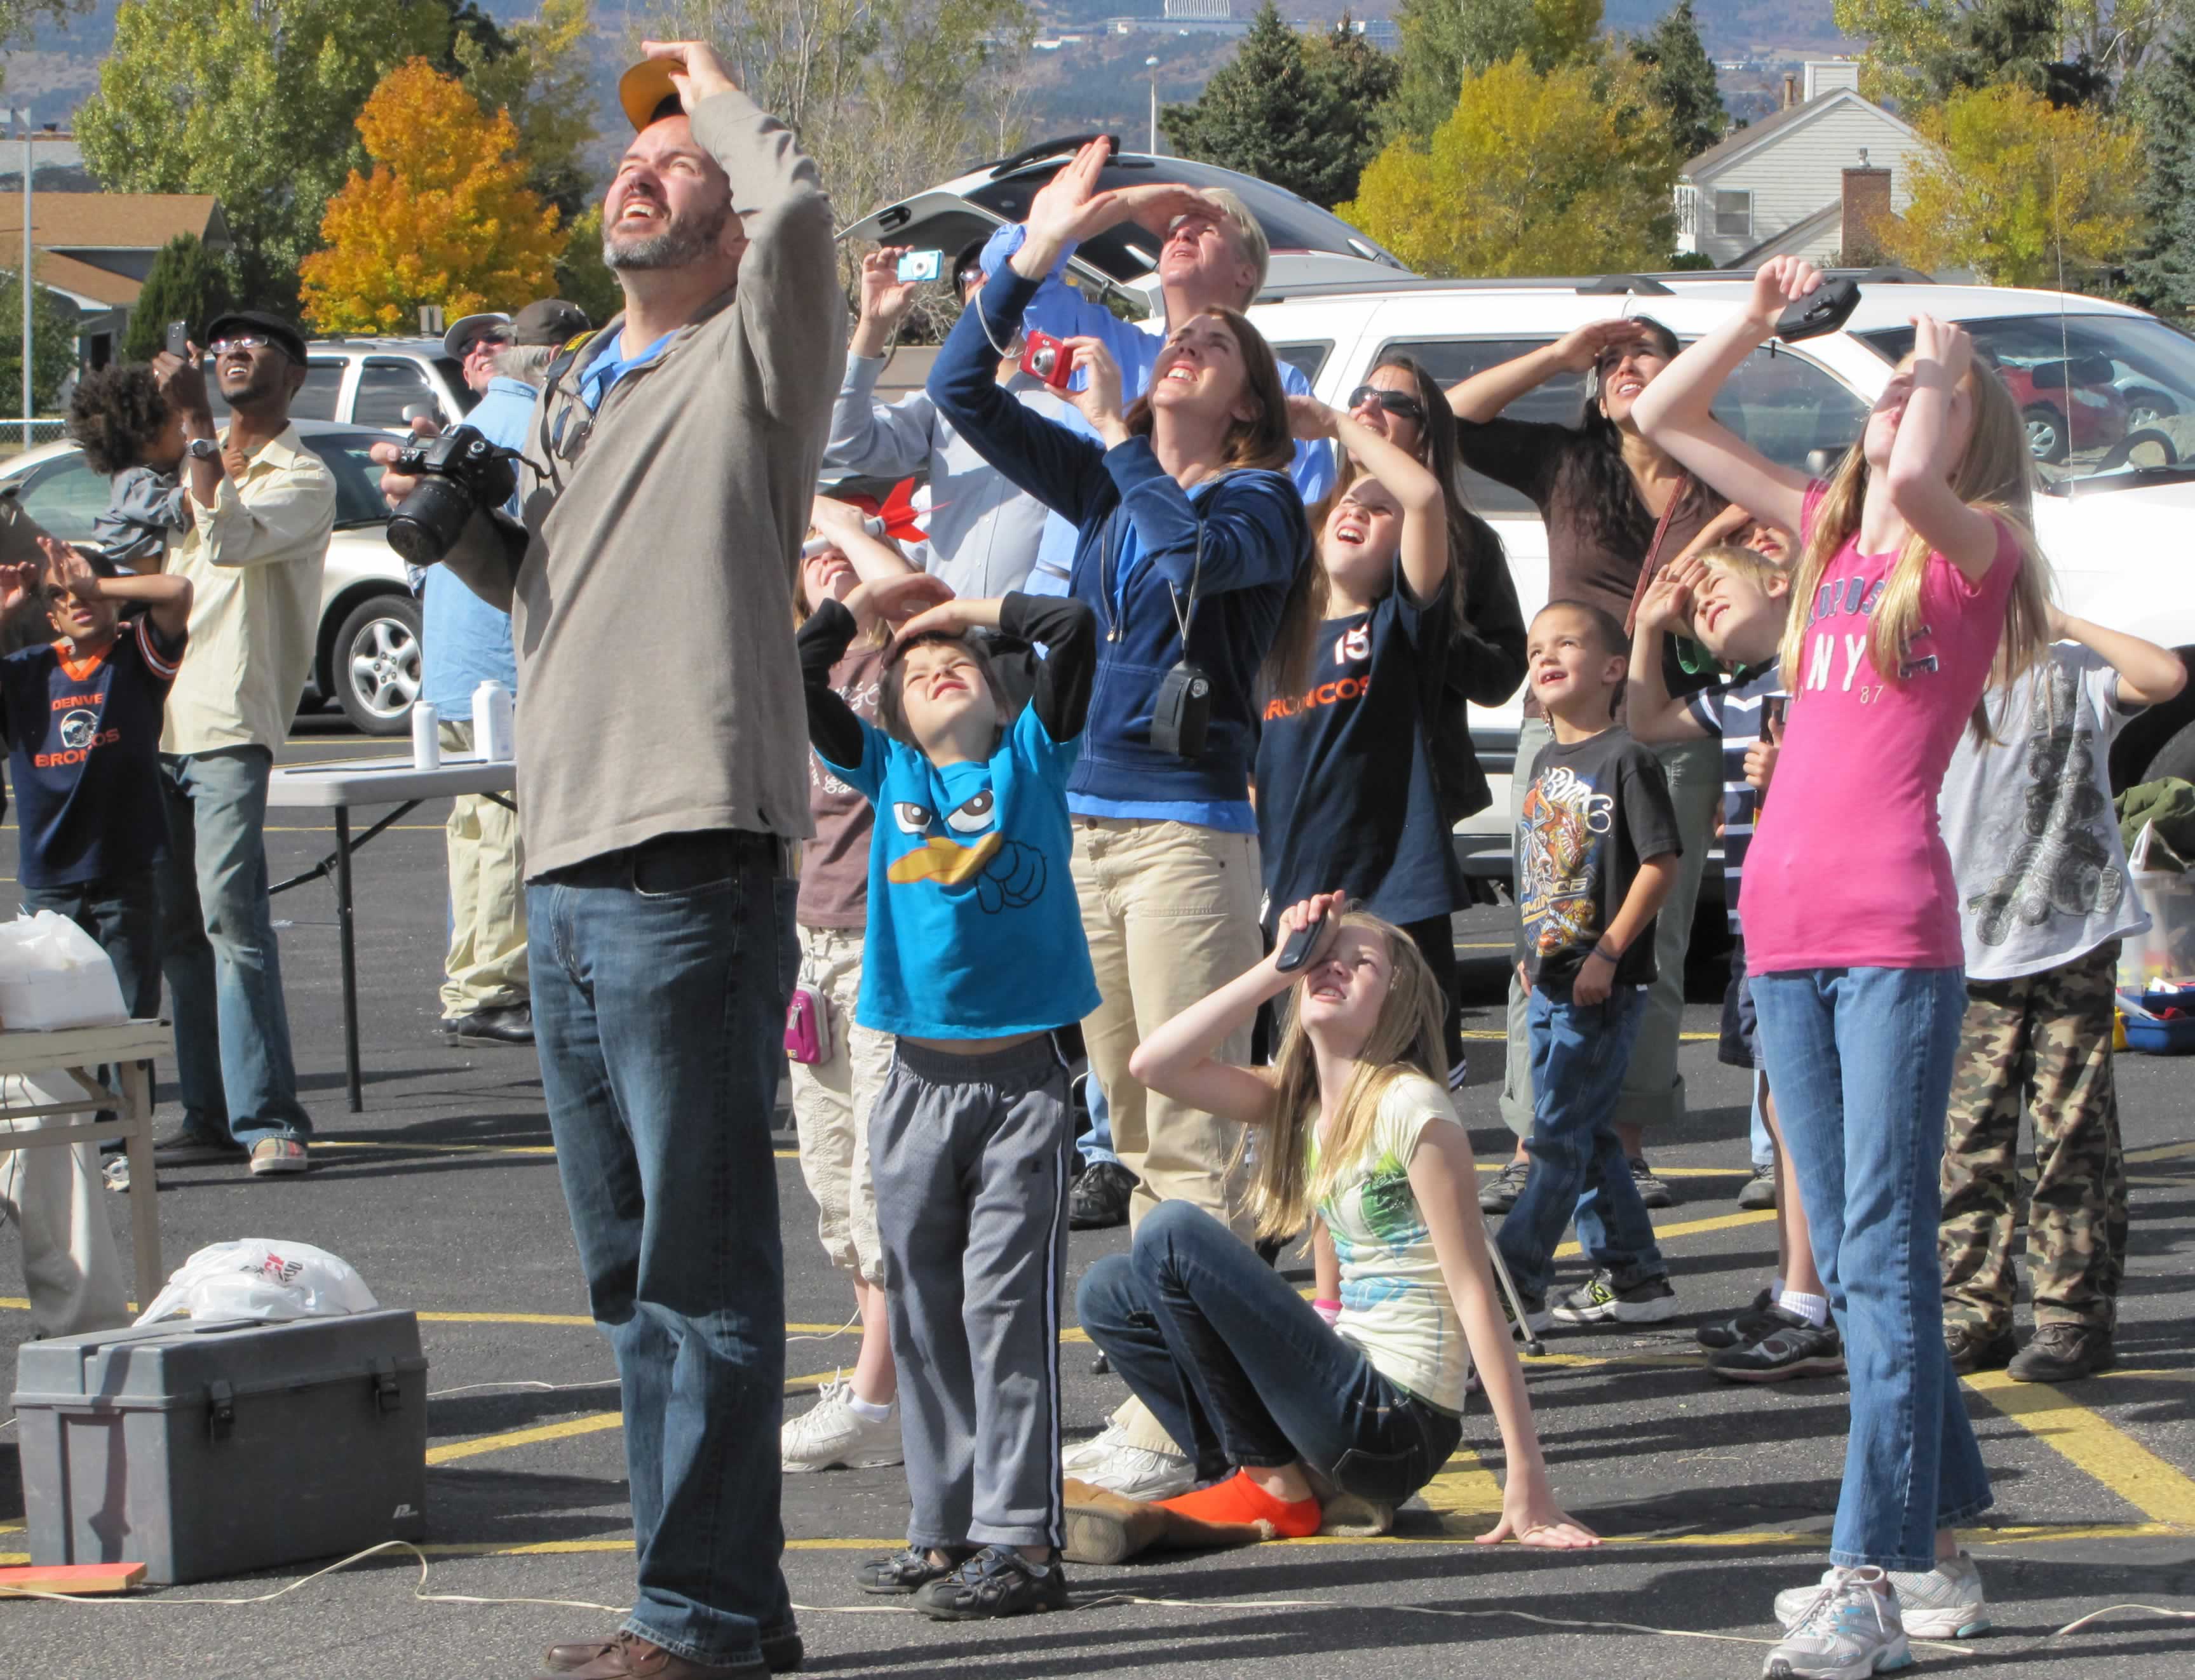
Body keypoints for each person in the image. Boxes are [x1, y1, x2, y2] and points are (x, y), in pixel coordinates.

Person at [376, 42, 840, 1680]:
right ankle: (714, 1601)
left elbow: (801, 215)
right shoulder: (582, 383)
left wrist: (711, 87)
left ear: (728, 217)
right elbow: (551, 593)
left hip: (686, 857)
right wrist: (464, 525)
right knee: (633, 1276)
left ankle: (695, 1615)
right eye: (630, 157)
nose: (640, 170)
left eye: (677, 160)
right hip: (566, 856)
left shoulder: (758, 352)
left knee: (700, 1267)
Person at [1634, 259, 2053, 1676]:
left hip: (1887, 940)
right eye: (1887, 394)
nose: (1890, 406)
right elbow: (1669, 419)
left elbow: (1922, 471)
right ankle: (1940, 1545)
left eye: (1920, 399)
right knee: (1861, 1261)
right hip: (1783, 935)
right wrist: (1757, 318)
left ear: (1961, 429)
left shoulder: (1972, 551)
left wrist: (1938, 358)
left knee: (1879, 1251)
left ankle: (1864, 1572)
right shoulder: (1825, 539)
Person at [929, 206, 1309, 1499]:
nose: (1184, 345)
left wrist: (1116, 436)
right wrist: (1037, 254)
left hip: (1187, 838)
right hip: (1085, 824)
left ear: (1248, 401)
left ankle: (1188, 1418)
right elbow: (959, 390)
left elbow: (1189, 553)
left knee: (1193, 1133)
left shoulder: (1261, 499)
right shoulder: (1106, 480)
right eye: (1180, 339)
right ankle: (1182, 1404)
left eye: (1217, 344)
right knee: (1131, 1129)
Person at [1081, 892, 1598, 1549]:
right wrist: (1276, 964)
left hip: (1395, 1421)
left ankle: (1271, 1485)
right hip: (1344, 1403)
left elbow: (1475, 1291)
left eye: (1361, 963)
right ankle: (1258, 1477)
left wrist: (1526, 1479)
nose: (1333, 967)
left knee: (1171, 1234)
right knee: (1108, 1291)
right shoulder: (1299, 1103)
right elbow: (1153, 1065)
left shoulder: (1410, 1106)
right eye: (1322, 957)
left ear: (1395, 1002)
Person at [798, 575, 1100, 1620]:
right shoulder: (887, 769)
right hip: (915, 1085)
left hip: (1019, 1086)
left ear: (1000, 693)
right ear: (888, 708)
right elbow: (802, 676)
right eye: (916, 669)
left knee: (1002, 1310)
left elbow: (1072, 629)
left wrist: (958, 611)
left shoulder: (1031, 758)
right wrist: (862, 613)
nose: (935, 669)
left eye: (957, 664)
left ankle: (1023, 1544)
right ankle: (946, 1528)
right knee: (923, 1311)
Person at [1447, 320, 1730, 1214]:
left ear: (1685, 373)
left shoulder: (1719, 476)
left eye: (1643, 354)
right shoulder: (1568, 463)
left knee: (1655, 942)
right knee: (1545, 933)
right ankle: (1533, 1143)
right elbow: (1450, 420)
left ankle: (1624, 1145)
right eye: (1609, 363)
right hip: (1563, 734)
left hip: (1672, 730)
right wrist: (1555, 357)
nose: (1623, 368)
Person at [1936, 610, 2184, 1382]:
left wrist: (2063, 619)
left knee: (2071, 1135)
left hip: (2070, 937)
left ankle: (2072, 1316)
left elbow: (2164, 676)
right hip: (1962, 942)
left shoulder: (2073, 670)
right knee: (1968, 1140)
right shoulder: (1933, 675)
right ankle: (1972, 1310)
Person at [1628, 544, 1840, 1384]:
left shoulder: (1817, 672)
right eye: (1694, 606)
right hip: (1762, 923)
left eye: (1714, 586)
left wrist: (1792, 771)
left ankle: (1814, 1299)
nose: (1701, 605)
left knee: (1802, 1111)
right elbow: (1646, 721)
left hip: (1814, 914)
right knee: (1781, 1108)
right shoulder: (1739, 692)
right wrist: (1650, 628)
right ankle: (1796, 1290)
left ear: (1780, 581)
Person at [150, 309, 336, 1179]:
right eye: (222, 345)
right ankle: (207, 1114)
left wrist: (194, 423)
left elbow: (227, 540)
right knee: (176, 930)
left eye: (256, 345)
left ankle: (270, 1118)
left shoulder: (303, 477)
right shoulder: (186, 460)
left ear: (293, 375)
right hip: (156, 716)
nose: (233, 353)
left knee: (231, 916)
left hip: (227, 718)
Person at [1255, 395, 1464, 1070]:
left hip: (1392, 893)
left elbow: (1424, 497)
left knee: (1399, 1076)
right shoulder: (1274, 646)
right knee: (1305, 1078)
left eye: (1379, 511)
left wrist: (1337, 427)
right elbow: (1252, 769)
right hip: (1294, 899)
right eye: (1348, 503)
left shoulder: (1397, 626)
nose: (1357, 512)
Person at [779, 497, 920, 1474]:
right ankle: (885, 1378)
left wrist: (843, 526)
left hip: (886, 942)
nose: (827, 559)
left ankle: (877, 1395)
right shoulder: (798, 661)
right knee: (832, 1172)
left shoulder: (909, 664)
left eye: (850, 546)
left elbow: (917, 601)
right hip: (814, 942)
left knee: (881, 1173)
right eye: (810, 552)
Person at [1499, 600, 1682, 1330]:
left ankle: (1514, 1282)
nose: (1544, 656)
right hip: (1548, 976)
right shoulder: (1545, 760)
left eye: (1564, 643)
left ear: (1611, 668)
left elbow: (1658, 863)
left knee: (1555, 1136)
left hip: (1597, 983)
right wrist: (1526, 949)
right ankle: (1636, 1278)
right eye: (1534, 648)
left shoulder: (1625, 758)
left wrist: (1607, 951)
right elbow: (1540, 869)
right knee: (1586, 1133)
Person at [1, 540, 192, 1194]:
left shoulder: (134, 658)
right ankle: (63, 1147)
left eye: (85, 589)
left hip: (126, 868)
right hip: (51, 874)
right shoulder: (27, 670)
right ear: (49, 614)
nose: (75, 601)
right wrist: (6, 612)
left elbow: (177, 592)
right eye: (60, 596)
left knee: (127, 1019)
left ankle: (122, 1145)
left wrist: (98, 585)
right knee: (48, 1022)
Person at [422, 300, 589, 1049]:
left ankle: (472, 975)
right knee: (501, 828)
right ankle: (487, 988)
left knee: (475, 825)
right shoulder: (537, 431)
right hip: (504, 665)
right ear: (558, 356)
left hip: (453, 670)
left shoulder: (470, 427)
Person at [821, 242, 1060, 598]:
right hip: (953, 628)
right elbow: (846, 440)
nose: (986, 280)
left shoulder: (1073, 396)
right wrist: (873, 324)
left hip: (1045, 627)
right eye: (972, 274)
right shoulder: (942, 403)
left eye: (1003, 267)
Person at [65, 364, 191, 572]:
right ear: (149, 438)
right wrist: (204, 487)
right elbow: (164, 508)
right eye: (178, 430)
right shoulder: (130, 480)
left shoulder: (160, 472)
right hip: (129, 576)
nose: (185, 437)